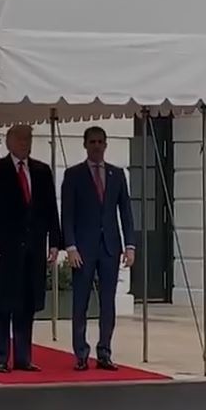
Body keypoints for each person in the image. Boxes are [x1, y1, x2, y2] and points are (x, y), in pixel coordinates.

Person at [0, 124, 61, 373]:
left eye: (29, 139)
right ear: (9, 142)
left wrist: (55, 241)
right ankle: (1, 357)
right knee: (1, 305)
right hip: (3, 249)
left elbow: (50, 209)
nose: (26, 143)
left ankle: (23, 357)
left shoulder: (41, 171)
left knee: (26, 305)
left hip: (32, 249)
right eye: (21, 138)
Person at [60, 126, 135, 371]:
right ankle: (81, 352)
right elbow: (67, 214)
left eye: (101, 141)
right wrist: (70, 246)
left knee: (108, 303)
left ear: (106, 144)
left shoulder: (117, 174)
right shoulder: (74, 175)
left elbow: (125, 211)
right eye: (92, 141)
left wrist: (130, 245)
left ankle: (104, 351)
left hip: (110, 248)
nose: (96, 145)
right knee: (80, 302)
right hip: (83, 248)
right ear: (85, 144)